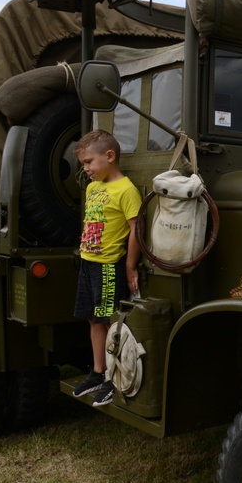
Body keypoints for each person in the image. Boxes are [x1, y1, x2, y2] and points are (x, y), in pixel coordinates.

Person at [71, 130, 142, 407]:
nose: (86, 169)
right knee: (92, 317)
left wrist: (130, 266)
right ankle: (98, 373)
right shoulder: (93, 188)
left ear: (110, 156)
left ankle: (114, 378)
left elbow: (136, 229)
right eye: (83, 164)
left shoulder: (126, 190)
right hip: (88, 263)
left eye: (89, 162)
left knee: (108, 319)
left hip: (108, 268)